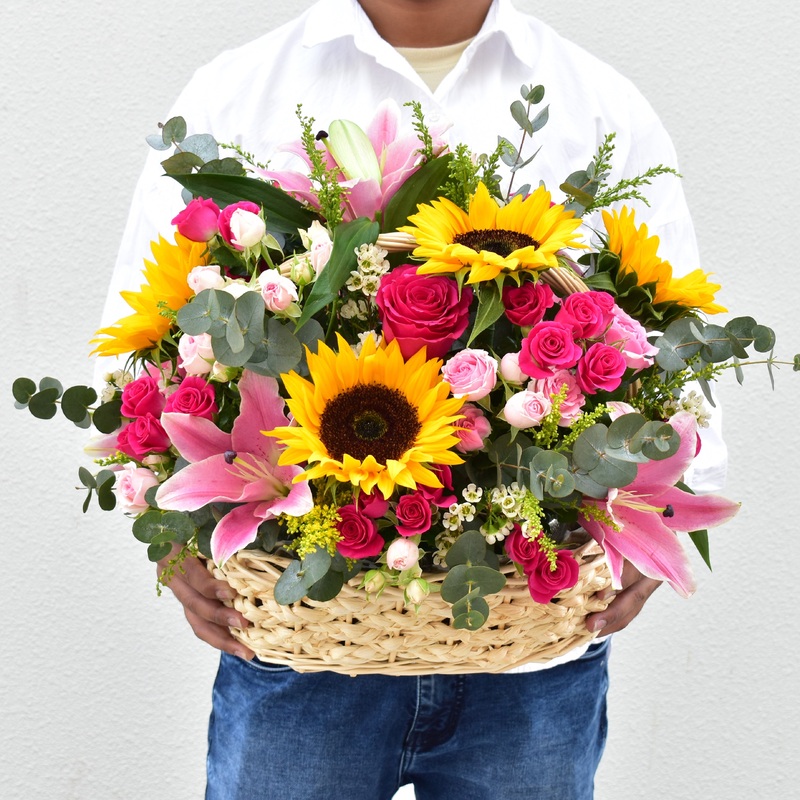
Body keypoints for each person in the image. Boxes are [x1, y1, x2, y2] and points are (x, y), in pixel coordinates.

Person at [103, 1, 727, 797]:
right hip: (300, 645)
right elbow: (139, 342)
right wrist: (169, 534)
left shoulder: (595, 100)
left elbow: (676, 340)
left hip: (533, 648)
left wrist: (668, 506)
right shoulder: (239, 89)